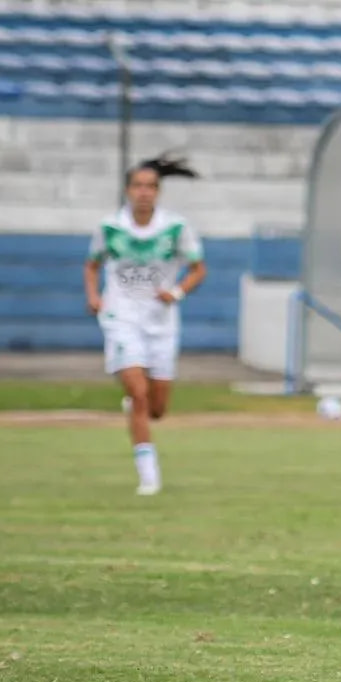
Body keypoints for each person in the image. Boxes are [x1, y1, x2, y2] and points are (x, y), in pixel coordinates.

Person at [83, 154, 206, 496]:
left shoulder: (175, 228)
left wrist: (177, 292)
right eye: (138, 186)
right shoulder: (110, 228)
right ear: (127, 190)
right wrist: (94, 296)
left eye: (151, 186)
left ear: (158, 191)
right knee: (138, 394)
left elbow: (198, 269)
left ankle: (138, 405)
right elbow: (92, 266)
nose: (144, 192)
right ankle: (148, 476)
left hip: (160, 322)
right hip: (121, 318)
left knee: (158, 408)